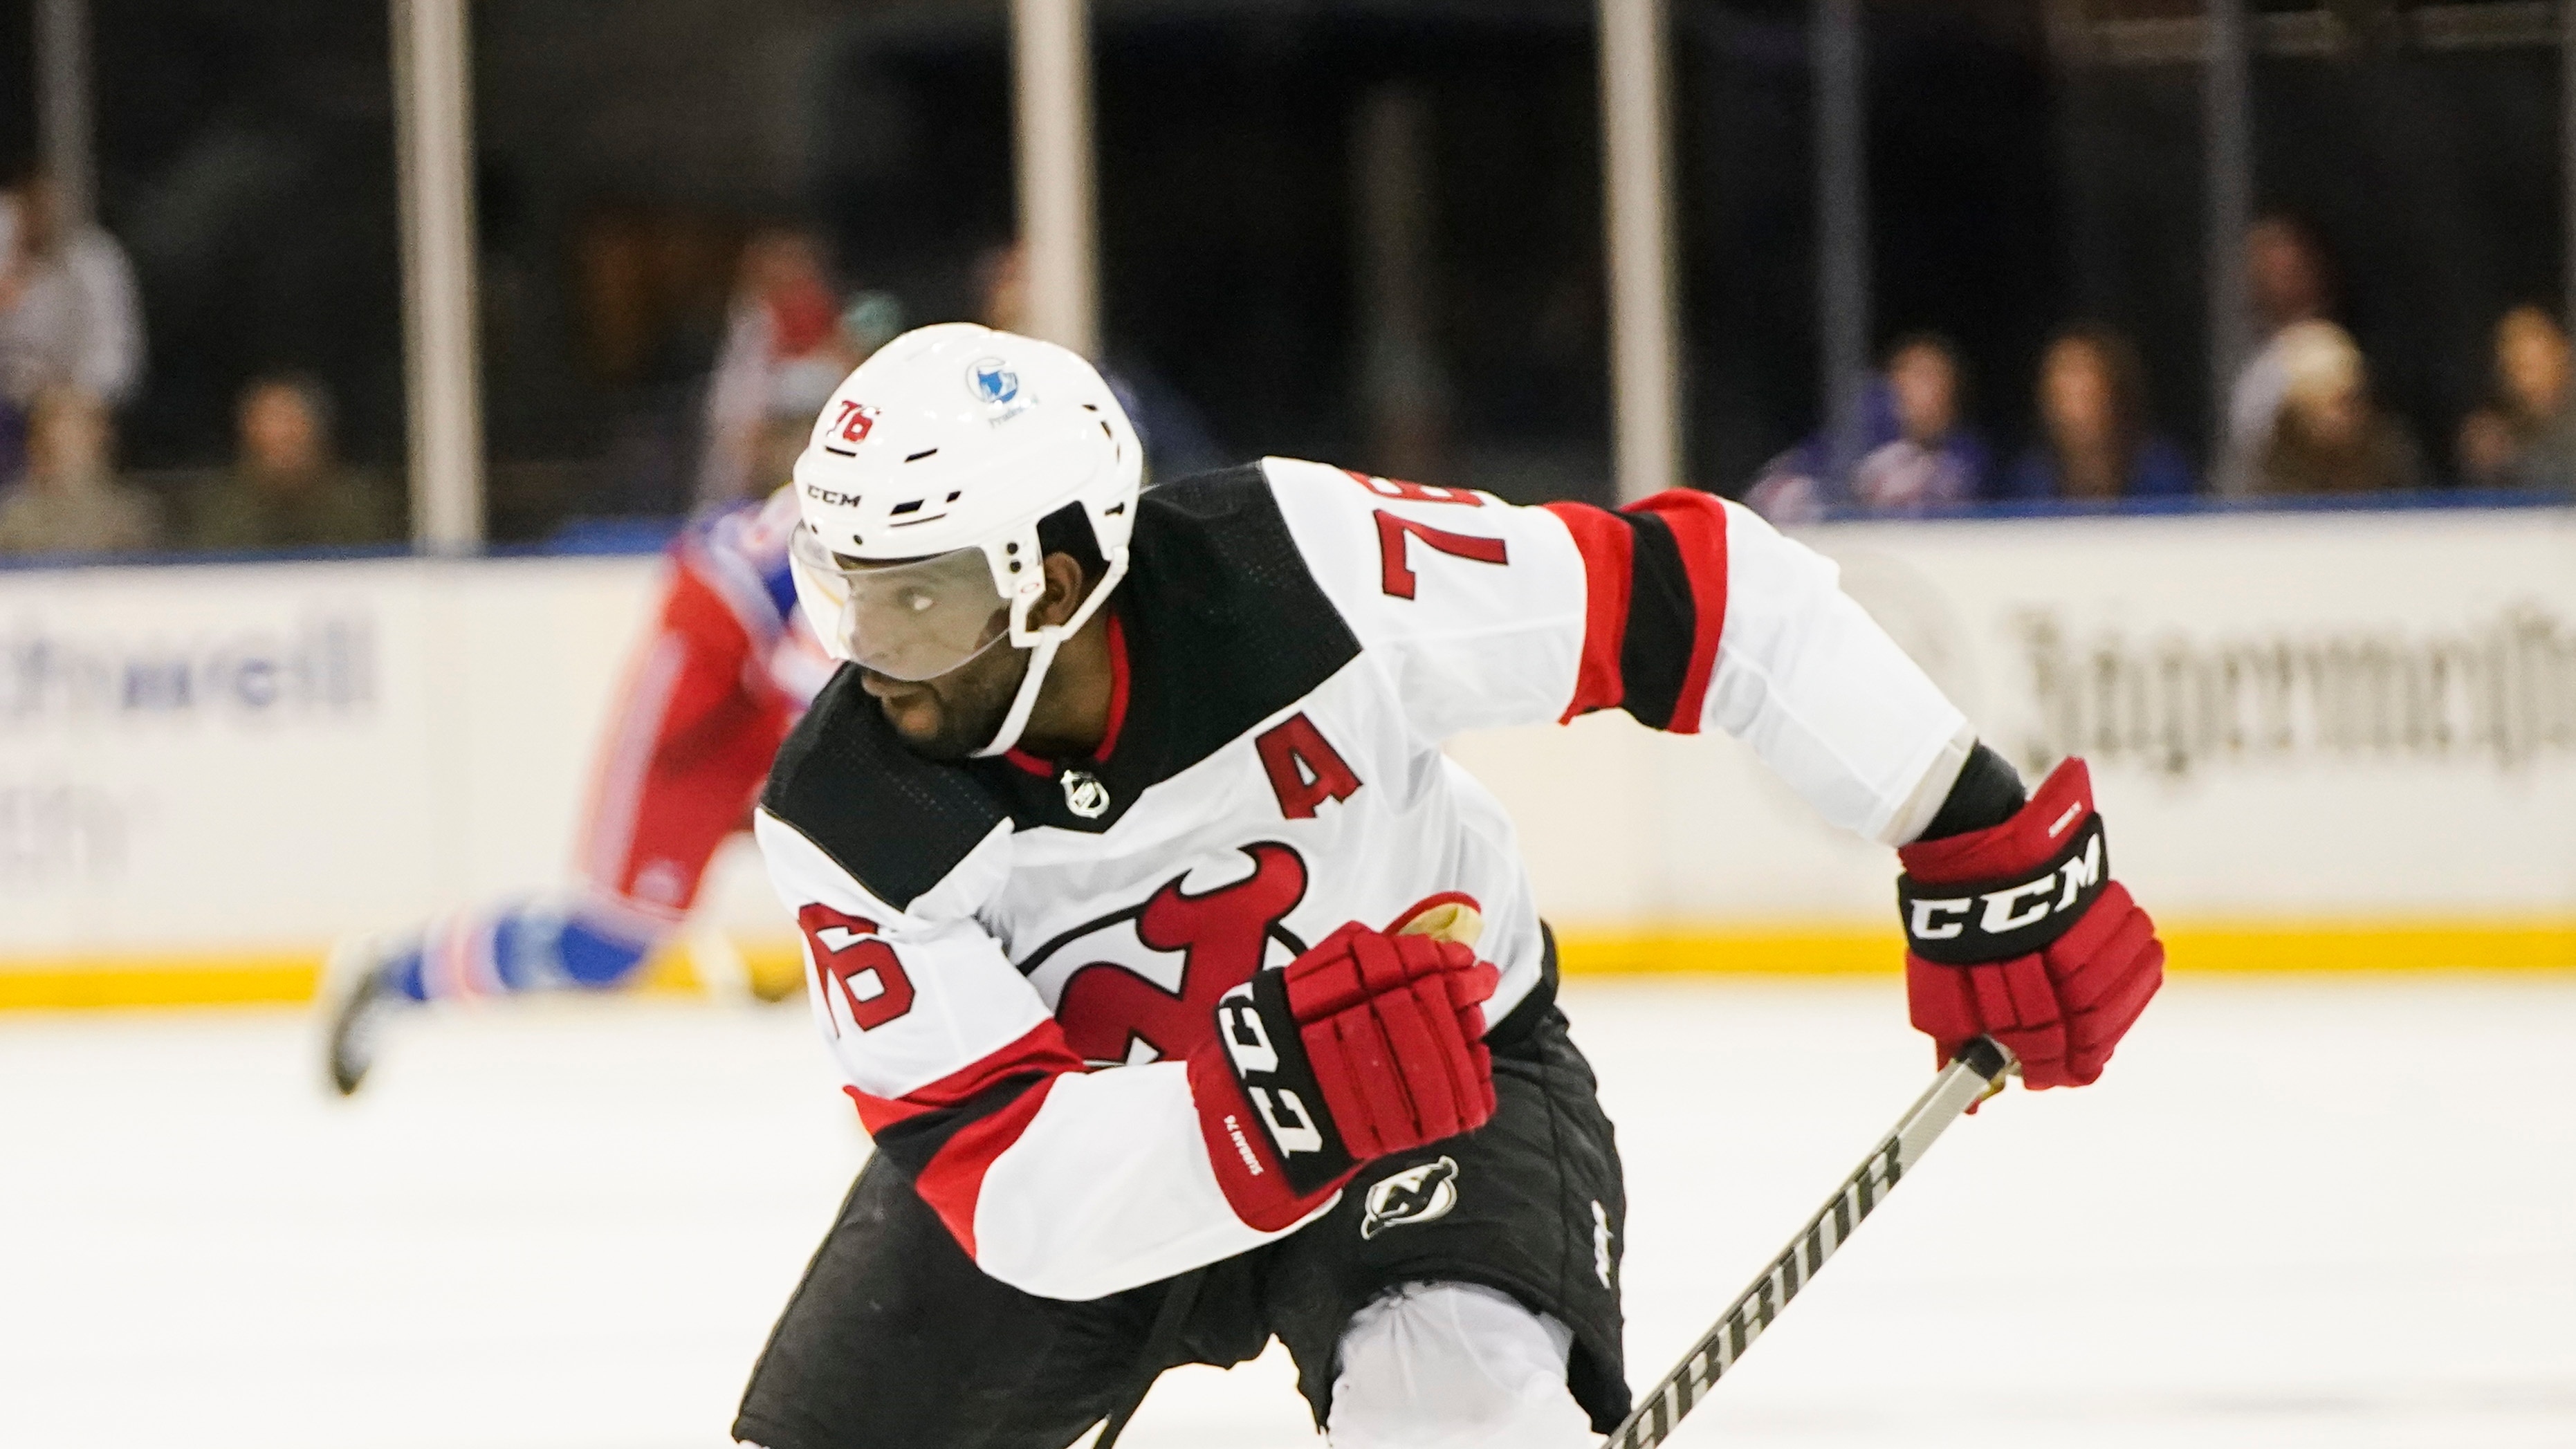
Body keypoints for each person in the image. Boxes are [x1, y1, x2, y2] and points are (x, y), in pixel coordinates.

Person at [726, 324, 2164, 1447]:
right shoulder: (847, 808)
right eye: (848, 589)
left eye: (919, 598)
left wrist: (1964, 821)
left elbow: (1707, 600)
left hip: (1439, 1090)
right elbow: (1013, 1179)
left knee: (1461, 1418)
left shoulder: (1294, 569)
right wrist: (1258, 1103)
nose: (869, 653)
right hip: (1112, 1143)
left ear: (1054, 576)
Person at [319, 484, 832, 1093]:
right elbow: (833, 726)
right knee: (609, 944)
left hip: (776, 662)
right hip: (711, 665)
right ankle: (395, 976)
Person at [1747, 333, 1994, 522]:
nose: (1916, 390)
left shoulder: (1967, 458)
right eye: (1909, 374)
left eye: (1931, 376)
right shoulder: (1847, 445)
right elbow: (1766, 496)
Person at [0, 169, 147, 481]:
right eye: (32, 206)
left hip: (67, 401)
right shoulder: (4, 234)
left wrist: (77, 396)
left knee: (68, 435)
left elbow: (117, 355)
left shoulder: (94, 259)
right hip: (5, 398)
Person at [700, 230, 860, 507]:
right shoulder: (754, 320)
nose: (790, 271)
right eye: (782, 261)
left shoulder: (820, 312)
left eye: (797, 262)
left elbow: (845, 368)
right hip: (757, 445)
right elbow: (739, 417)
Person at [187, 375, 400, 551]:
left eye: (292, 424)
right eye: (270, 424)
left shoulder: (357, 502)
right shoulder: (223, 507)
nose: (282, 437)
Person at [2005, 326, 2195, 501]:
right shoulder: (2029, 479)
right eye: (2063, 395)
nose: (2074, 412)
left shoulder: (2160, 472)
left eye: (2086, 393)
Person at [2219, 216, 2335, 495]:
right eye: (2267, 269)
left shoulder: (2331, 352)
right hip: (2264, 510)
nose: (2279, 281)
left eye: (2289, 269)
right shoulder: (2254, 357)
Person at [2248, 320, 2424, 496]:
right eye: (2334, 403)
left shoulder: (2389, 455)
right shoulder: (2267, 474)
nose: (2351, 414)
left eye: (2354, 399)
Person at [0, 385, 162, 556]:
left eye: (91, 424)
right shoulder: (16, 515)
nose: (96, 433)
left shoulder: (132, 513)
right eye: (65, 423)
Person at [2454, 305, 2576, 491]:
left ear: (2560, 356)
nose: (2524, 380)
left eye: (2531, 366)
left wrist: (2515, 459)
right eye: (2514, 367)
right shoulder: (2497, 433)